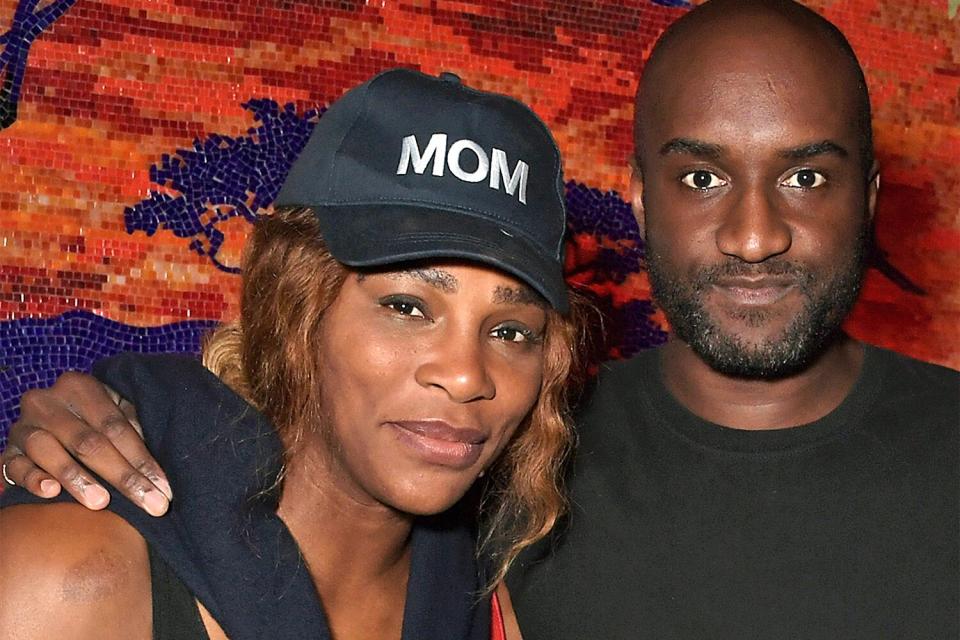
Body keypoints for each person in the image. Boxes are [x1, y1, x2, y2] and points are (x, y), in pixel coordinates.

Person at [5, 1, 960, 638]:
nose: (755, 235)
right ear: (638, 197)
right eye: (408, 303)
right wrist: (116, 408)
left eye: (511, 328)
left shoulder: (500, 498)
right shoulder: (526, 473)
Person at [0, 67, 589, 640]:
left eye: (512, 331)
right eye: (407, 306)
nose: (465, 375)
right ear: (292, 305)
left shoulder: (497, 601)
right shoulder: (69, 573)